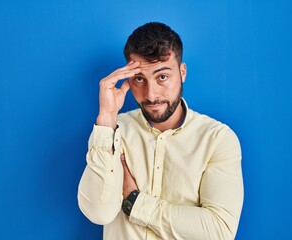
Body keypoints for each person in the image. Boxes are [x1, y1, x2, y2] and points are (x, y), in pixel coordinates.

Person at [77, 22, 244, 240]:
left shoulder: (217, 139)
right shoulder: (114, 131)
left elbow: (219, 231)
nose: (151, 94)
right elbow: (99, 212)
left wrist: (135, 202)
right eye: (139, 79)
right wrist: (106, 119)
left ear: (182, 72)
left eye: (162, 77)